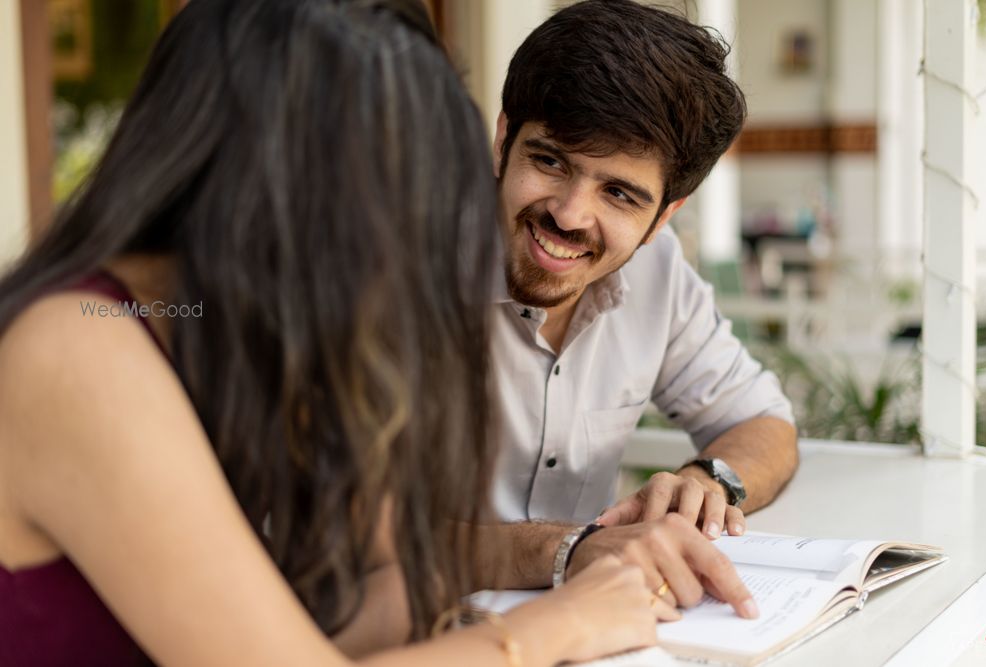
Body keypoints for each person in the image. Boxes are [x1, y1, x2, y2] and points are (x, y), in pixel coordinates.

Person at [0, 1, 757, 666]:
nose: (409, 242)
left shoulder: (221, 331)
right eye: (390, 193)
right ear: (262, 179)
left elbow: (359, 610)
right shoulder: (79, 347)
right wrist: (555, 625)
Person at [473, 0, 798, 605]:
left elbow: (765, 425)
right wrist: (568, 551)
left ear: (662, 217)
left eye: (619, 193)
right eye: (549, 161)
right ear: (501, 140)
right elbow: (338, 533)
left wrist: (711, 481)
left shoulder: (658, 267)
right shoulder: (389, 267)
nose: (570, 215)